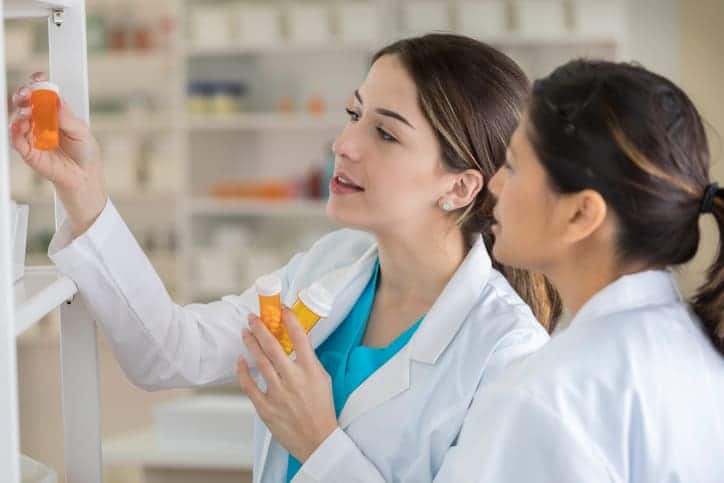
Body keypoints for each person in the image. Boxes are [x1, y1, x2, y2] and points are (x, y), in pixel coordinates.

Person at [10, 34, 558, 483]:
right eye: (354, 113)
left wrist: (317, 442)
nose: (344, 143)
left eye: (386, 133)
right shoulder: (334, 265)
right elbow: (171, 351)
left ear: (461, 187)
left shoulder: (507, 355)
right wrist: (84, 192)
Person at [434, 59, 724, 482]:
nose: (495, 183)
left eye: (513, 165)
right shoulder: (699, 355)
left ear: (580, 214)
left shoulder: (544, 397)